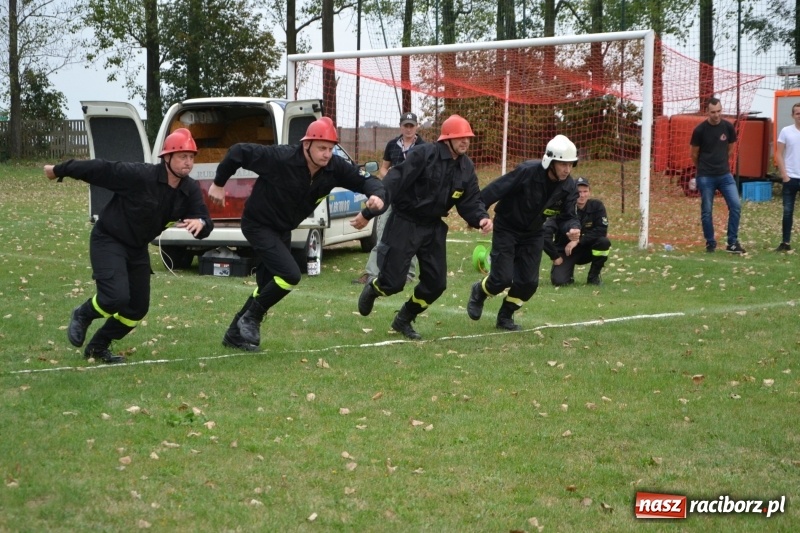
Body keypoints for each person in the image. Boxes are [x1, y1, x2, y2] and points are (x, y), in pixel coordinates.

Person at [208, 117, 385, 350]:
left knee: (267, 285)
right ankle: (251, 318)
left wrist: (375, 199)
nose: (327, 154)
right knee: (290, 274)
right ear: (306, 145)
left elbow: (369, 182)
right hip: (258, 224)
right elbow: (238, 152)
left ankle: (234, 333)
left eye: (331, 148)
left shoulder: (334, 168)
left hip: (282, 228)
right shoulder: (280, 158)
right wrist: (219, 183)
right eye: (322, 148)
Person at [43, 128, 213, 364]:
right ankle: (82, 314)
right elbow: (99, 169)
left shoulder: (190, 190)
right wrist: (58, 170)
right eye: (183, 156)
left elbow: (206, 221)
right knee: (115, 298)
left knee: (137, 308)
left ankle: (97, 347)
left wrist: (201, 223)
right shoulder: (140, 175)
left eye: (191, 157)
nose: (188, 162)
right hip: (108, 239)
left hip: (137, 248)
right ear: (167, 157)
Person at [357, 114, 493, 339]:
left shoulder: (466, 167)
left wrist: (481, 217)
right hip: (404, 222)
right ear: (447, 139)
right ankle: (374, 288)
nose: (465, 142)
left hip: (433, 227)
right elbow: (395, 178)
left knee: (436, 283)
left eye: (467, 138)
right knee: (393, 282)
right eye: (460, 137)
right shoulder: (423, 154)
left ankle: (404, 319)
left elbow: (471, 200)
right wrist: (376, 203)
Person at [466, 135, 580, 330]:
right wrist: (477, 215)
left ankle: (505, 316)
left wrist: (572, 227)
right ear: (550, 162)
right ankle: (479, 291)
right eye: (563, 164)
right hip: (507, 227)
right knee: (501, 279)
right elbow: (496, 189)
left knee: (528, 283)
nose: (567, 169)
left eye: (570, 165)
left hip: (534, 232)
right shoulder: (527, 171)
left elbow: (568, 216)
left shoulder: (569, 187)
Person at [353, 112, 425, 284]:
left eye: (411, 126)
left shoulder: (423, 147)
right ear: (401, 126)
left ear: (417, 127)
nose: (408, 129)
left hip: (412, 198)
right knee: (383, 231)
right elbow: (383, 169)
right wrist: (391, 176)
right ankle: (372, 272)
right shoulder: (392, 145)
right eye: (405, 125)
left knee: (410, 236)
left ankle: (408, 274)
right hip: (391, 194)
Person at [690, 97, 746, 254]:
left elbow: (730, 149)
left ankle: (732, 242)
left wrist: (721, 164)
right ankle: (710, 242)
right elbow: (694, 154)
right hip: (706, 176)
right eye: (713, 112)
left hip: (725, 175)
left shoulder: (728, 127)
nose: (716, 115)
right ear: (707, 112)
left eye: (719, 111)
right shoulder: (699, 130)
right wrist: (703, 169)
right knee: (707, 210)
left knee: (736, 206)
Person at [543, 177, 611, 286]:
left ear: (589, 192)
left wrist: (577, 240)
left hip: (587, 249)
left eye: (585, 191)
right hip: (566, 251)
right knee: (559, 282)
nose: (582, 195)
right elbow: (545, 233)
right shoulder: (561, 209)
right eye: (579, 192)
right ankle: (566, 274)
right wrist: (554, 256)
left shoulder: (597, 206)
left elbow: (601, 230)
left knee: (603, 242)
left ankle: (593, 277)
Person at [774, 102, 800, 252]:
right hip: (790, 177)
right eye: (797, 113)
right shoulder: (786, 131)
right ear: (793, 115)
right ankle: (785, 242)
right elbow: (778, 153)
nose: (799, 116)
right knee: (788, 211)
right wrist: (784, 175)